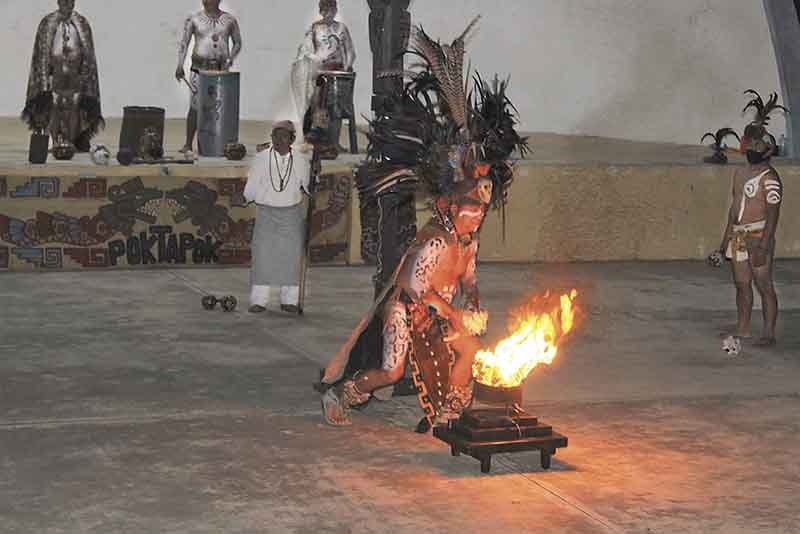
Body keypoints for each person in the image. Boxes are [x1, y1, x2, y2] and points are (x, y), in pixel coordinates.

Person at [317, 17, 528, 429]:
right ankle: (343, 392)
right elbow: (416, 291)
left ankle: (451, 409)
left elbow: (469, 278)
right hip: (408, 310)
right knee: (392, 372)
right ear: (450, 207)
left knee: (469, 348)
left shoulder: (468, 241)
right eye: (470, 209)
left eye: (481, 211)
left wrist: (475, 303)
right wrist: (453, 314)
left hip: (439, 311)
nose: (476, 215)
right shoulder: (434, 242)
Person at [715, 91, 785, 347]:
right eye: (751, 144)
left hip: (758, 236)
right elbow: (734, 212)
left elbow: (773, 213)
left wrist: (764, 246)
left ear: (768, 150)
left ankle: (768, 333)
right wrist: (723, 246)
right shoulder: (740, 173)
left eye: (758, 145)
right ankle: (742, 328)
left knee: (764, 285)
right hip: (739, 236)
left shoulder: (770, 178)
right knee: (742, 284)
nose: (753, 148)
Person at [244, 121, 313, 314]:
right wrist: (245, 198)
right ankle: (259, 300)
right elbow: (252, 185)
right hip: (266, 212)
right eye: (275, 136)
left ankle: (289, 300)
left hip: (291, 214)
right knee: (262, 256)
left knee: (290, 257)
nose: (278, 140)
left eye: (283, 136)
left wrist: (315, 177)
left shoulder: (300, 160)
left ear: (292, 139)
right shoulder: (261, 158)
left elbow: (307, 186)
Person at [22, 0, 104, 152]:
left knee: (74, 104)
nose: (67, 3)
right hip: (55, 80)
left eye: (70, 0)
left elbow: (88, 56)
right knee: (53, 103)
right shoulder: (47, 23)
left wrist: (85, 80)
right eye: (64, 0)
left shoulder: (82, 23)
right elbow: (41, 57)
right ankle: (54, 141)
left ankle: (72, 141)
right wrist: (45, 85)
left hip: (76, 80)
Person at [175, 0, 242, 156]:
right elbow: (184, 43)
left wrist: (230, 58)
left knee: (218, 107)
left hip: (220, 72)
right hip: (199, 69)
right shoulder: (194, 19)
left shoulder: (229, 20)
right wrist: (180, 64)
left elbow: (237, 42)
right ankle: (188, 143)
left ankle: (217, 142)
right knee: (195, 106)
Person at [291, 0, 356, 155]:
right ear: (320, 11)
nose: (328, 13)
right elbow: (305, 50)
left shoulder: (341, 28)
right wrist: (315, 62)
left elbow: (350, 52)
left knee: (337, 106)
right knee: (317, 104)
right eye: (325, 9)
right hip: (319, 74)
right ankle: (318, 141)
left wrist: (346, 67)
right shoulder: (315, 28)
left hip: (339, 75)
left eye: (331, 9)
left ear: (335, 10)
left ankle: (334, 142)